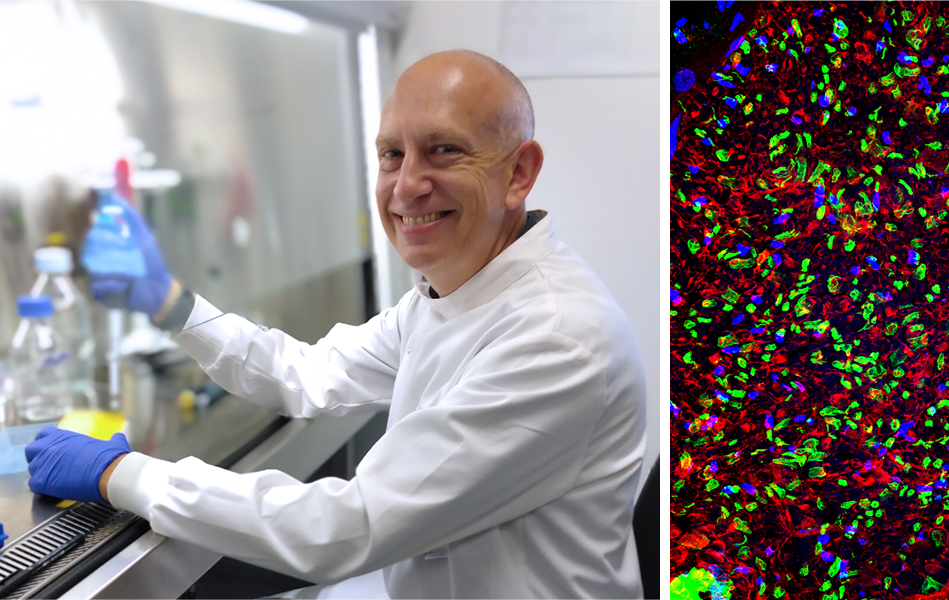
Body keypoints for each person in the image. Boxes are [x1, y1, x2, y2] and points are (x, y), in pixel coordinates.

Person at [25, 50, 648, 598]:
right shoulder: (452, 292)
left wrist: (118, 474)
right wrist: (172, 307)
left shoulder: (556, 339)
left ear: (518, 173)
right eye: (391, 155)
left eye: (444, 150)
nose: (407, 186)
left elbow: (348, 527)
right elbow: (308, 373)